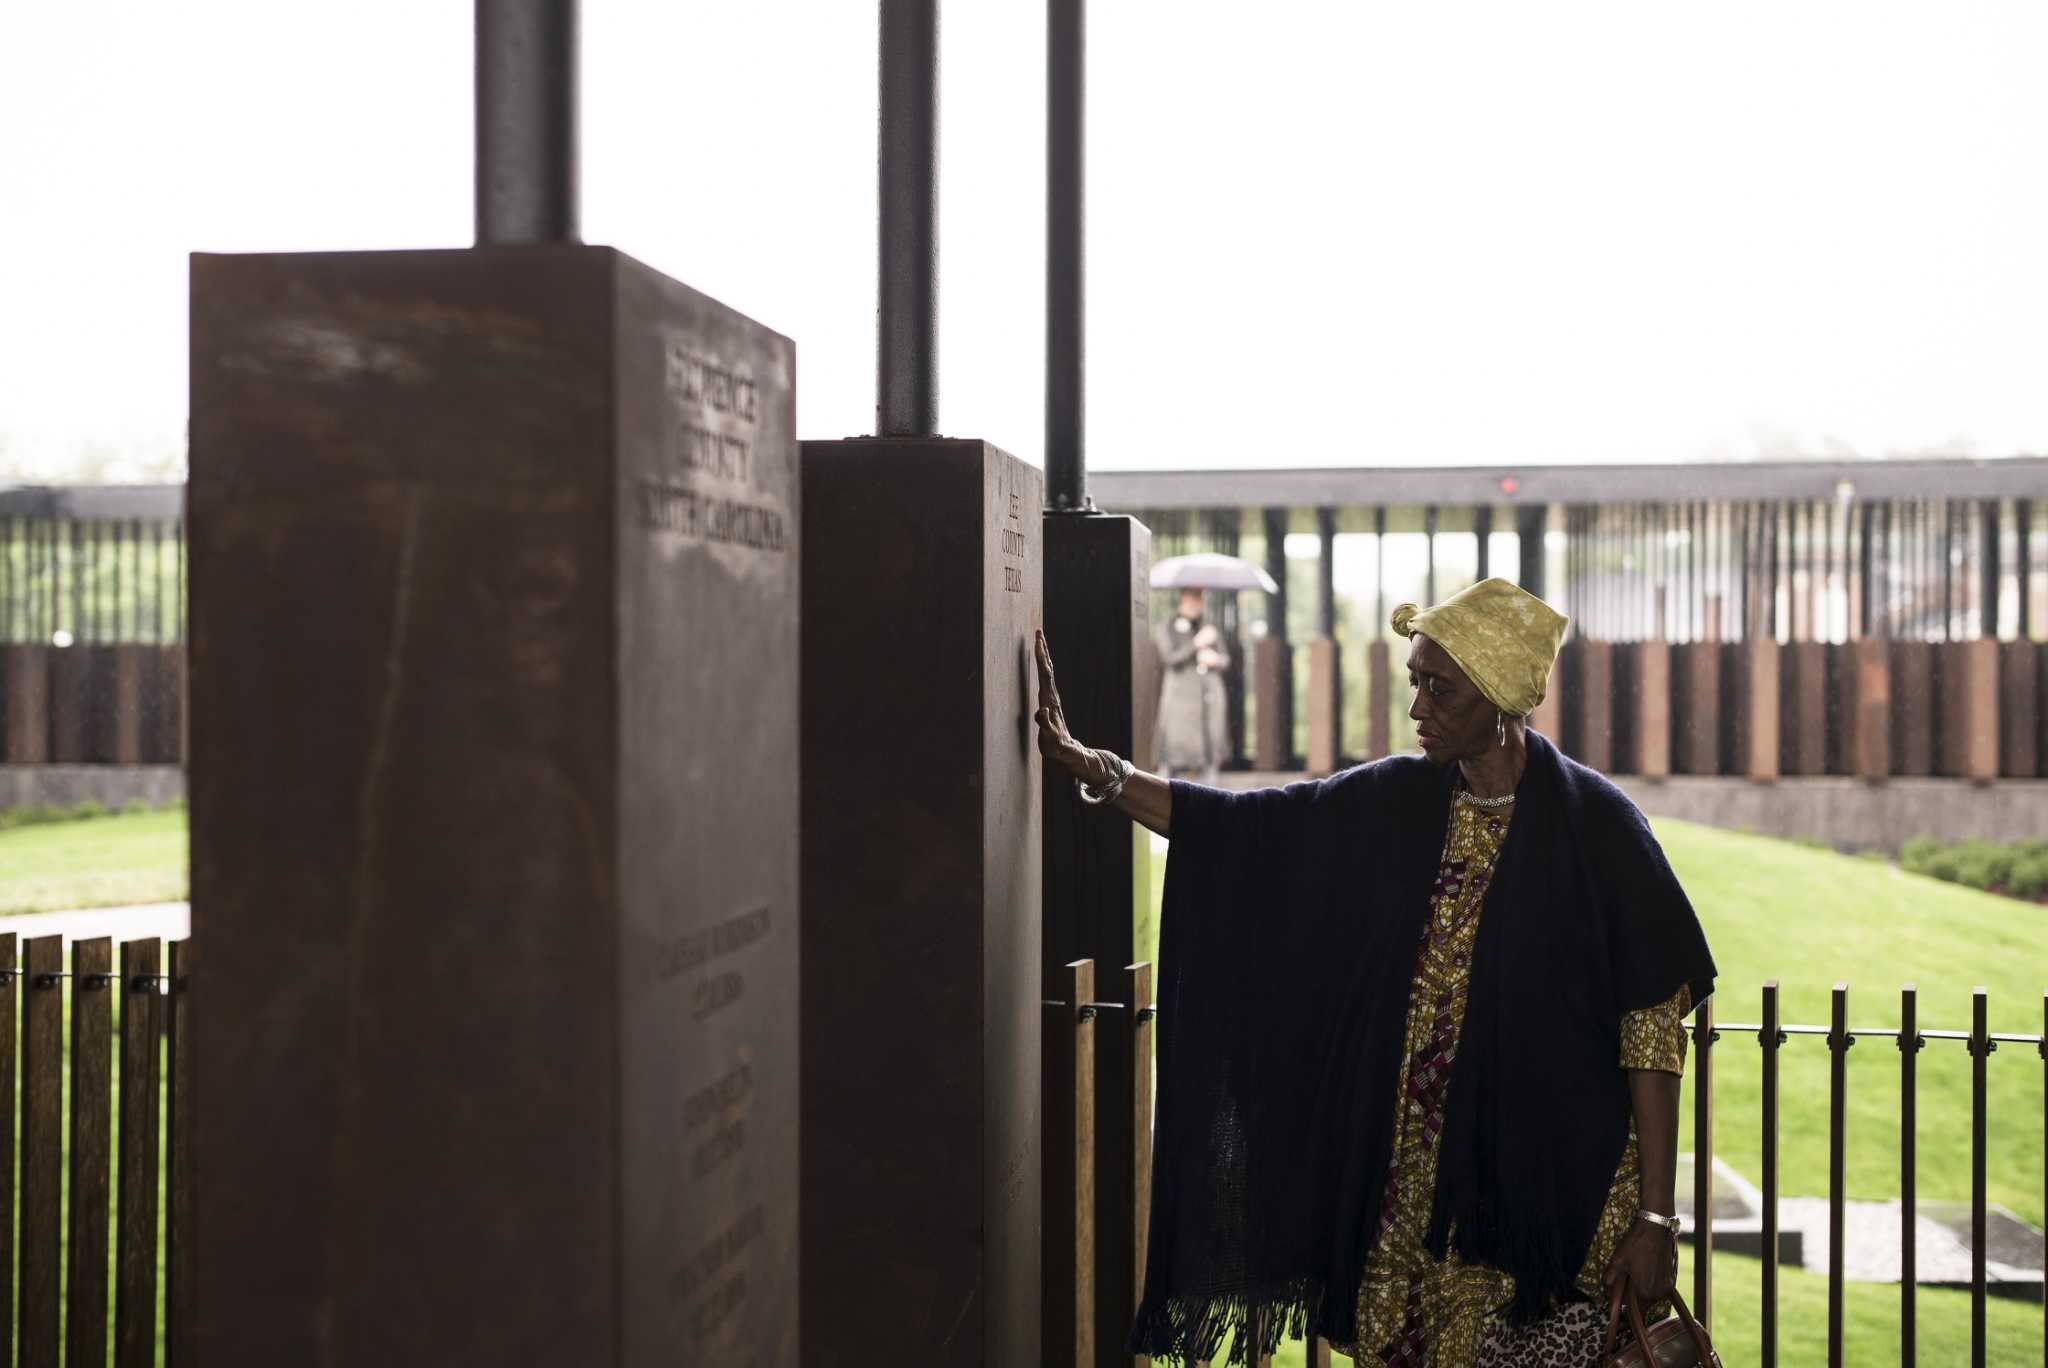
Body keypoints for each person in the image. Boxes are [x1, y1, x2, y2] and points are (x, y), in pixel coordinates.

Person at [1034, 578, 1716, 1368]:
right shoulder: (1398, 802)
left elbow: (1654, 1024)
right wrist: (1099, 769)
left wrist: (1657, 1218)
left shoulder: (1597, 831)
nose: (1418, 707)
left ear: (1498, 697)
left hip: (1549, 1211)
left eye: (1440, 688)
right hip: (1407, 1207)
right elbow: (1248, 832)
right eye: (1414, 683)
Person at [1154, 586, 1231, 784]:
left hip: (1209, 696)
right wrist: (1196, 644)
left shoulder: (1208, 626)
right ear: (1182, 597)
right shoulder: (1168, 625)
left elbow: (1225, 659)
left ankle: (1209, 795)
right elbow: (1170, 658)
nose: (1196, 602)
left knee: (1209, 752)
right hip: (1181, 699)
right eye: (1193, 596)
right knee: (1174, 752)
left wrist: (1215, 659)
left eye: (1200, 597)